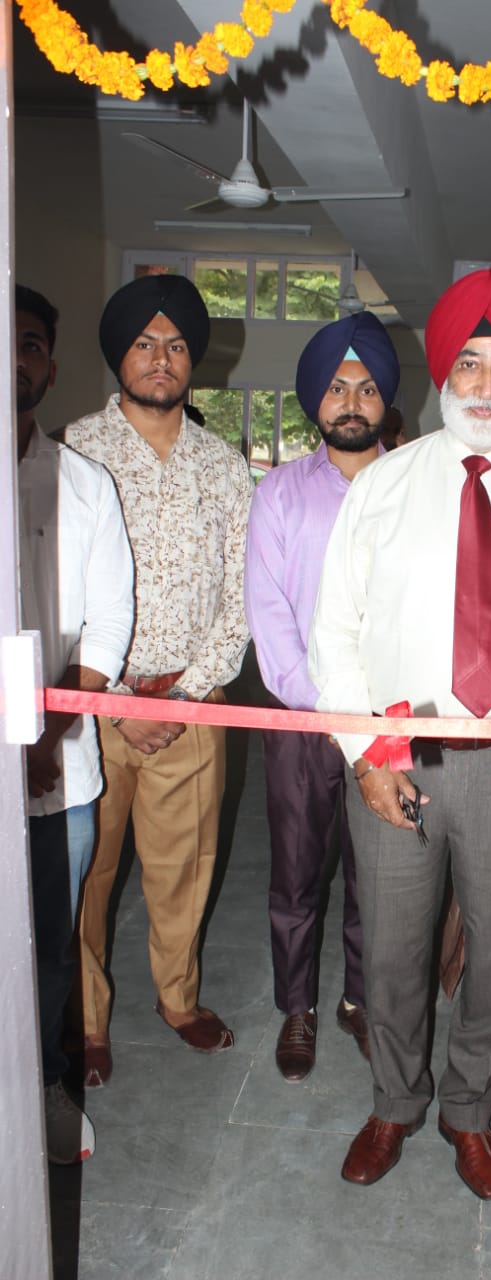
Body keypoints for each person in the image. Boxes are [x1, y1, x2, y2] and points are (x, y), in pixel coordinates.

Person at [309, 267, 491, 1200]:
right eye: (469, 363)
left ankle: (469, 1111)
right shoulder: (383, 486)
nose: (485, 384)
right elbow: (334, 635)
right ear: (442, 373)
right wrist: (365, 756)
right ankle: (395, 1102)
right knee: (393, 952)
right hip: (397, 756)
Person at [64, 275, 253, 1086]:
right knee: (87, 874)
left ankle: (178, 999)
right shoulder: (72, 453)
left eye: (175, 345)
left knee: (184, 868)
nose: (160, 358)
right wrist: (112, 703)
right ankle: (85, 1017)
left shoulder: (224, 465)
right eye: (144, 343)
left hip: (194, 704)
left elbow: (244, 593)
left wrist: (186, 693)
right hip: (89, 710)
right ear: (119, 355)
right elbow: (54, 591)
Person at [244, 312, 400, 1083]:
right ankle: (298, 1006)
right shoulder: (278, 492)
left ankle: (359, 1000)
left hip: (390, 722)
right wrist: (327, 708)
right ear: (315, 399)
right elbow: (269, 613)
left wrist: (375, 717)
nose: (351, 402)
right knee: (298, 871)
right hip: (302, 718)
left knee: (380, 873)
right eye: (336, 388)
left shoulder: (412, 489)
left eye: (366, 388)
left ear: (385, 400)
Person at [16, 285, 134, 1161]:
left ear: (50, 369)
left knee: (51, 949)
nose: (13, 359)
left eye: (28, 344)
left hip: (59, 772)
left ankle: (45, 1091)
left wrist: (43, 738)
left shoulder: (84, 483)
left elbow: (108, 622)